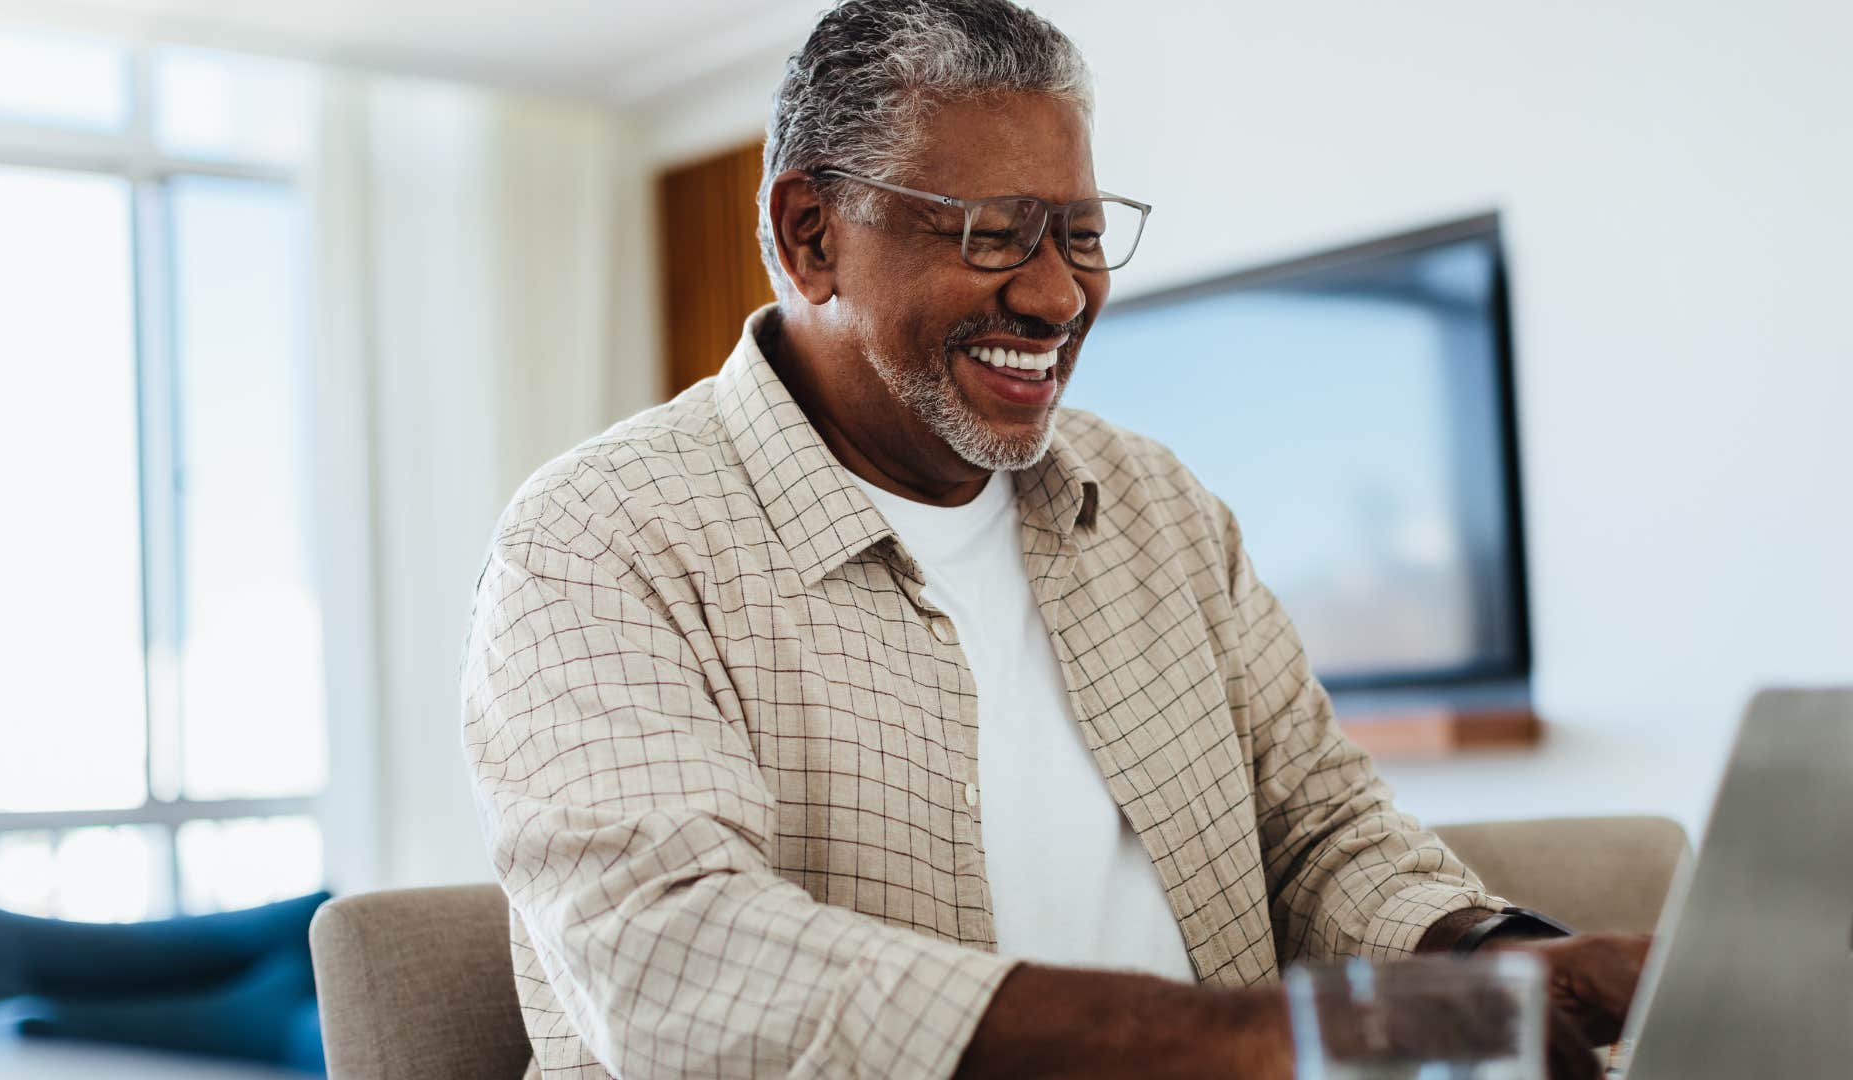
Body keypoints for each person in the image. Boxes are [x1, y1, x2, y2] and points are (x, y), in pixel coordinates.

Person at [462, 2, 1646, 1076]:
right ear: (812, 232)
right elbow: (679, 961)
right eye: (994, 233)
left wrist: (1498, 956)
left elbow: (1319, 835)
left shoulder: (1155, 505)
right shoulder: (599, 540)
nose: (1058, 296)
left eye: (1081, 234)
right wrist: (1259, 1041)